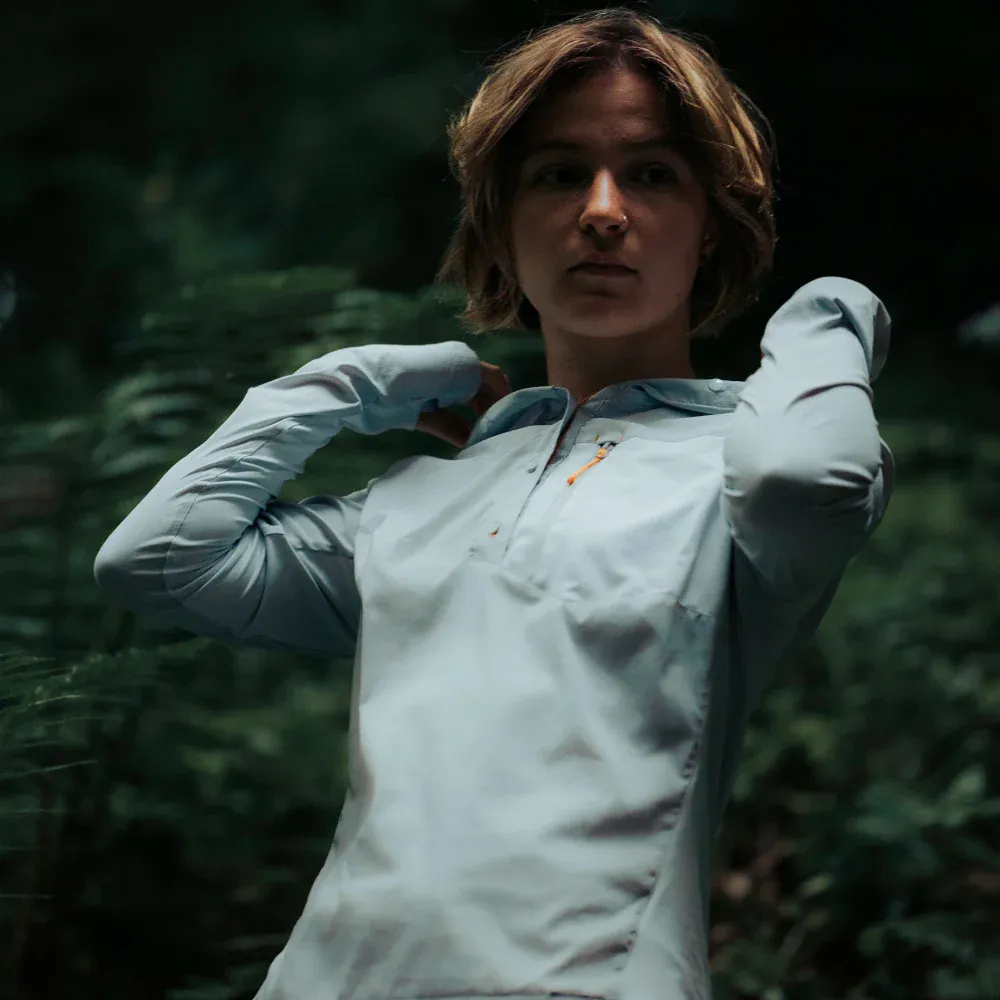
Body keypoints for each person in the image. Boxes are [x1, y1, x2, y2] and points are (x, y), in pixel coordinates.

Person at [93, 8, 894, 1000]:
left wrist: (832, 311)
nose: (602, 210)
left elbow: (808, 484)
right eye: (559, 174)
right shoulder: (413, 498)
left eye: (652, 174)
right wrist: (355, 382)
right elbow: (158, 560)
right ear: (502, 228)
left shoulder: (742, 464)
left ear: (711, 227)